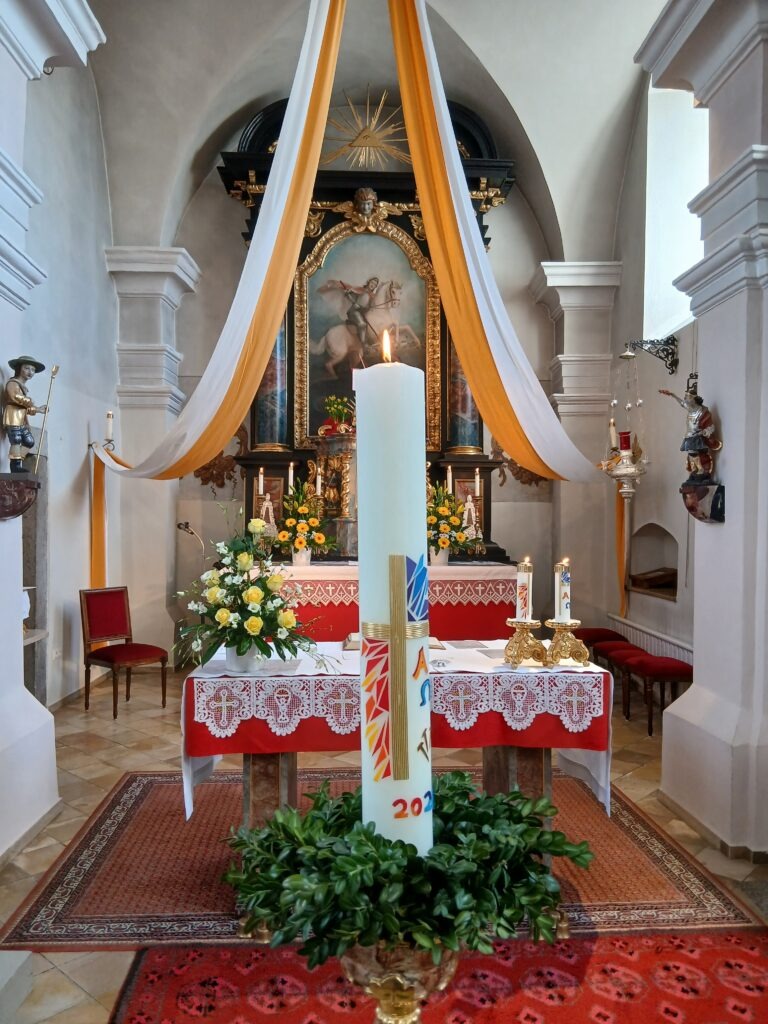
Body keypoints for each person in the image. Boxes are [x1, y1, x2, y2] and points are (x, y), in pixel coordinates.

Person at [659, 375, 722, 483]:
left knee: (693, 453)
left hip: (697, 437)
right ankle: (695, 470)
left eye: (687, 397)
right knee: (690, 454)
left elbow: (711, 427)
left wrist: (704, 432)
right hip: (689, 436)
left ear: (693, 399)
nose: (685, 399)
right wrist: (672, 395)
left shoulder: (702, 412)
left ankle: (700, 469)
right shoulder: (690, 408)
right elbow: (681, 403)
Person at [3, 356, 47, 473]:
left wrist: (39, 409)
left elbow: (24, 408)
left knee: (29, 441)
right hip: (12, 417)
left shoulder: (22, 387)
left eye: (33, 370)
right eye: (27, 368)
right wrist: (29, 401)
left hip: (21, 419)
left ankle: (18, 460)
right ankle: (15, 466)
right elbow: (15, 397)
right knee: (16, 440)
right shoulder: (12, 383)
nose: (30, 372)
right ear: (19, 368)